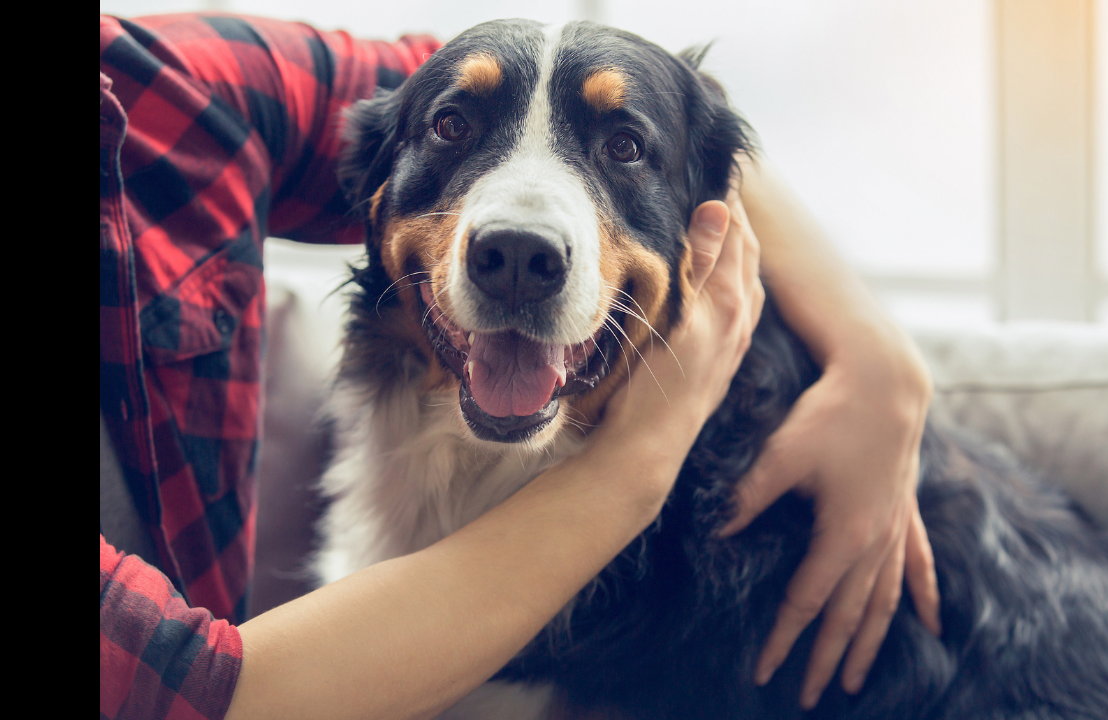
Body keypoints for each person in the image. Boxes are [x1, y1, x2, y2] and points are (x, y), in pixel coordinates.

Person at [99, 13, 939, 720]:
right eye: (455, 132)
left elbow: (542, 74)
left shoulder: (156, 82)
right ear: (375, 198)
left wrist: (879, 359)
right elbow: (217, 695)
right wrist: (641, 458)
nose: (519, 233)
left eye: (624, 144)